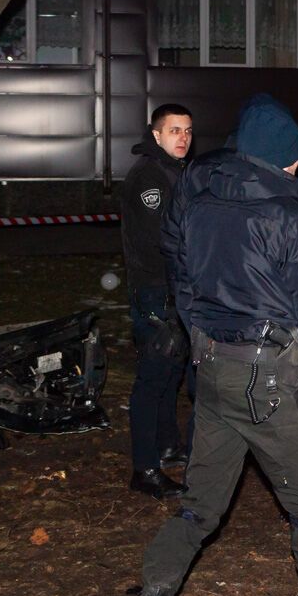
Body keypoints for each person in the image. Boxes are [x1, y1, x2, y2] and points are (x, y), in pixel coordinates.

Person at [137, 96, 298, 596]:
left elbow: (178, 267)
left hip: (212, 372)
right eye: (294, 157)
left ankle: (156, 590)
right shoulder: (288, 217)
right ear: (282, 158)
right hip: (268, 381)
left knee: (200, 505)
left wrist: (199, 331)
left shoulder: (197, 197)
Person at [119, 103, 195, 499]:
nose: (182, 138)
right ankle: (144, 468)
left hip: (175, 290)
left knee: (171, 374)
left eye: (187, 131)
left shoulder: (176, 172)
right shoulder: (149, 178)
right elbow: (162, 241)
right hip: (155, 291)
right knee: (151, 379)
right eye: (174, 131)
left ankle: (167, 446)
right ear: (156, 135)